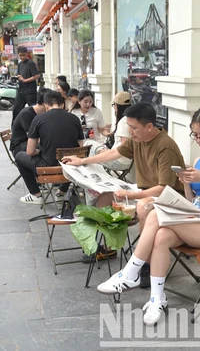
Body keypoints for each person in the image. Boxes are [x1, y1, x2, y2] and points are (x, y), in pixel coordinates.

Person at [96, 107, 200, 326]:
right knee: (161, 236)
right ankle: (157, 298)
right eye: (195, 135)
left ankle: (130, 273)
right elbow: (193, 198)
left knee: (153, 214)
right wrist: (186, 184)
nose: (199, 140)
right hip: (197, 214)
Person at [62, 102, 186, 284]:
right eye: (129, 128)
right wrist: (82, 161)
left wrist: (133, 196)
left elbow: (164, 188)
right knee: (104, 196)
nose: (131, 132)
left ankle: (146, 264)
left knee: (144, 206)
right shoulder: (137, 140)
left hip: (169, 197)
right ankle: (110, 246)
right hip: (143, 190)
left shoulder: (165, 146)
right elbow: (112, 154)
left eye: (134, 128)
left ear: (149, 127)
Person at [15, 91, 84, 205]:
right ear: (62, 104)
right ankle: (61, 191)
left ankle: (35, 194)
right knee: (68, 158)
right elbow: (80, 148)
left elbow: (30, 151)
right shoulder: (75, 119)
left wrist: (41, 151)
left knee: (19, 156)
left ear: (46, 105)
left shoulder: (38, 119)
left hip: (47, 167)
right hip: (69, 168)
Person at [89, 92, 134, 175]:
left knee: (90, 146)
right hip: (123, 159)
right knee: (95, 146)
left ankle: (93, 180)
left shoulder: (124, 121)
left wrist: (107, 153)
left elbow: (124, 148)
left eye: (114, 105)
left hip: (119, 161)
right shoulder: (131, 119)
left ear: (117, 106)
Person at [9, 88, 51, 156]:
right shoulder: (26, 114)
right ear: (45, 104)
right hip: (20, 145)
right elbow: (33, 137)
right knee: (48, 150)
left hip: (31, 143)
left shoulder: (43, 114)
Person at [12, 47, 41, 122]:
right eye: (20, 55)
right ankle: (14, 128)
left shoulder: (30, 63)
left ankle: (37, 125)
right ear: (18, 54)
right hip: (21, 91)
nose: (22, 57)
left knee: (34, 110)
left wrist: (25, 80)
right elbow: (20, 76)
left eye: (24, 55)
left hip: (30, 92)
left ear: (26, 54)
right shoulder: (20, 64)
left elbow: (37, 75)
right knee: (16, 110)